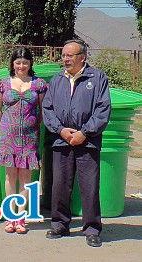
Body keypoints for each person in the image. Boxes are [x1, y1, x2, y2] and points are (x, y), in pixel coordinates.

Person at [42, 39, 111, 248]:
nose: (65, 59)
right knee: (60, 185)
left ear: (82, 57)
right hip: (62, 141)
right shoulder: (56, 80)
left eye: (69, 56)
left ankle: (91, 229)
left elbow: (103, 110)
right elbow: (48, 109)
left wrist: (84, 132)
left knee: (89, 187)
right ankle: (59, 224)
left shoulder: (98, 78)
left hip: (87, 142)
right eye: (63, 55)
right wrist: (61, 130)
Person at [0, 47, 47, 234]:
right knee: (10, 176)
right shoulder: (3, 83)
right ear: (12, 64)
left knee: (25, 177)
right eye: (18, 62)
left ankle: (21, 218)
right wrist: (9, 126)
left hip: (30, 137)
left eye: (25, 62)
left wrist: (31, 126)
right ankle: (10, 217)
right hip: (8, 137)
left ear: (30, 63)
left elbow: (43, 111)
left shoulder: (39, 84)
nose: (21, 66)